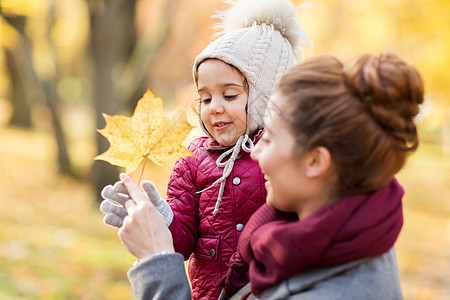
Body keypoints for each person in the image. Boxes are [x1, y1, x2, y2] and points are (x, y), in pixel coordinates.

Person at [116, 51, 424, 300]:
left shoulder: (333, 290)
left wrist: (157, 262)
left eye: (270, 137)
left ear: (315, 160)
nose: (256, 151)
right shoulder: (344, 232)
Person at [99, 0, 311, 299]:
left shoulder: (284, 155)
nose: (215, 108)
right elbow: (181, 244)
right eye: (206, 98)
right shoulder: (191, 161)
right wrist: (159, 217)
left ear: (267, 96)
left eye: (229, 94)